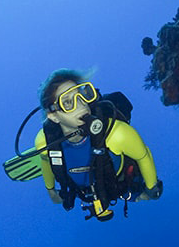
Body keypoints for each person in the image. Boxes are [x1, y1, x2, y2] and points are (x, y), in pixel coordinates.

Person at [33, 69, 161, 221]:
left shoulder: (117, 133)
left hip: (119, 181)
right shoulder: (45, 142)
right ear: (53, 116)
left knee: (138, 195)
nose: (80, 106)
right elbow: (46, 161)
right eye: (68, 102)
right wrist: (51, 191)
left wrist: (152, 188)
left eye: (81, 96)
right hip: (85, 189)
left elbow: (144, 155)